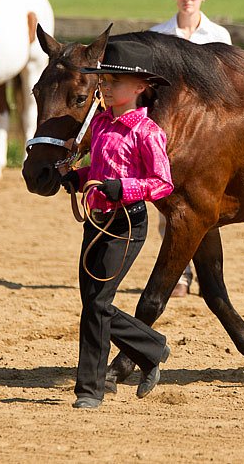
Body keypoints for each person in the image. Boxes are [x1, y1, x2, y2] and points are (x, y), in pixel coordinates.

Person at [60, 40, 174, 409]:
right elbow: (97, 169)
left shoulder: (148, 132)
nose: (105, 87)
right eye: (103, 81)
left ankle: (90, 390)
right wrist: (76, 178)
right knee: (94, 302)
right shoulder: (102, 124)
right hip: (96, 220)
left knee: (97, 304)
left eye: (113, 81)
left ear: (140, 87)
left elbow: (162, 183)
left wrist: (120, 188)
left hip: (126, 224)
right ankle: (151, 348)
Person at [151, 0, 231, 296]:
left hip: (209, 130)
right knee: (165, 201)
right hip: (170, 128)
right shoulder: (157, 35)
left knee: (205, 203)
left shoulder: (218, 36)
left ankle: (199, 275)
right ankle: (182, 274)